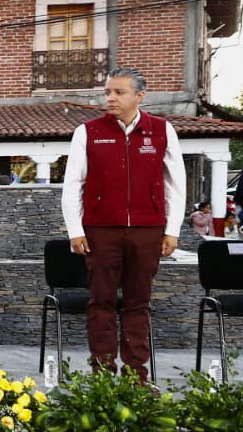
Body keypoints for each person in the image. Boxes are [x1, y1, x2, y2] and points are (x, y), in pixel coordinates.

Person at [62, 67, 184, 380]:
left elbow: (176, 183)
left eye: (119, 92)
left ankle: (135, 377)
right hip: (101, 231)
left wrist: (172, 229)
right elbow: (73, 183)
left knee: (138, 303)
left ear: (139, 96)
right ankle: (102, 374)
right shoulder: (87, 131)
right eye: (107, 92)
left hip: (148, 230)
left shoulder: (161, 130)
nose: (110, 98)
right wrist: (75, 230)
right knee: (100, 301)